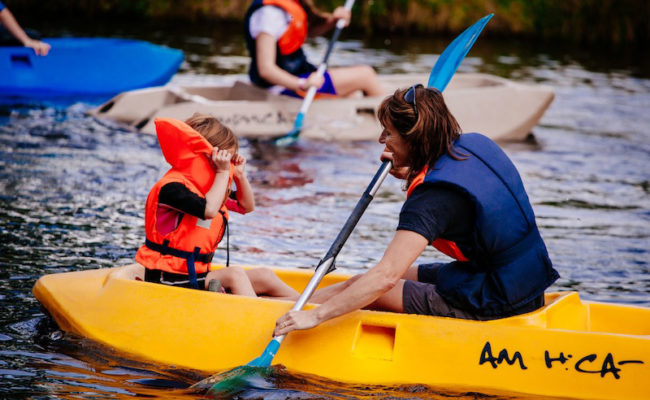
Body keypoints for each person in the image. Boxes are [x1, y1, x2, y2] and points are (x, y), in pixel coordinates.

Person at [273, 84, 560, 336]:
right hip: (526, 277)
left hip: (500, 296)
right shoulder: (475, 143)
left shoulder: (432, 197)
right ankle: (286, 308)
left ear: (414, 138)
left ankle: (300, 313)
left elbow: (385, 278)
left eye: (389, 133)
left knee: (375, 290)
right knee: (362, 282)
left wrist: (315, 318)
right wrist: (413, 171)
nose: (381, 141)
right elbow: (456, 194)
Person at [135, 113, 299, 299]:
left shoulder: (209, 187)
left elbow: (246, 206)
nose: (227, 166)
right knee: (234, 274)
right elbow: (209, 210)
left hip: (196, 276)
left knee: (264, 275)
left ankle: (305, 306)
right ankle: (260, 315)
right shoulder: (172, 188)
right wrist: (222, 172)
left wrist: (239, 176)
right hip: (168, 280)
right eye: (223, 160)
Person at [244, 0, 383, 98]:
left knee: (351, 93)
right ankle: (396, 126)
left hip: (297, 78)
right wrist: (303, 84)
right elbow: (266, 70)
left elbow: (306, 32)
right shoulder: (269, 13)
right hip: (283, 87)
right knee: (366, 75)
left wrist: (332, 21)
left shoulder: (287, 6)